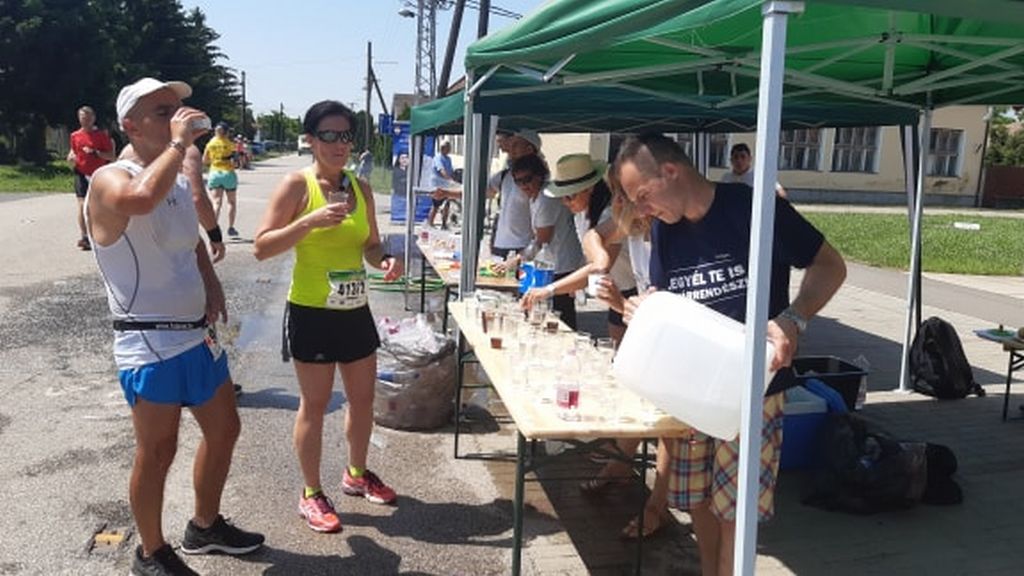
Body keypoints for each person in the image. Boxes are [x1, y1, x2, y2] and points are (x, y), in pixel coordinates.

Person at [615, 133, 846, 576]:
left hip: (753, 394)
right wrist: (644, 306)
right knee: (697, 499)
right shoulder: (666, 229)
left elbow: (831, 265)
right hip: (691, 392)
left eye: (643, 196)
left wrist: (794, 319)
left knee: (735, 511)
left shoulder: (754, 209)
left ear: (671, 171)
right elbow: (670, 298)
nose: (642, 211)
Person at [85, 77, 264, 576]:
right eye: (161, 111)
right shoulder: (109, 177)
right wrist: (183, 144)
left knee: (225, 428)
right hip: (149, 338)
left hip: (196, 334)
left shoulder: (180, 180)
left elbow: (191, 244)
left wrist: (212, 285)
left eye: (177, 109)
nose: (175, 117)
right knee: (158, 450)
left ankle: (205, 526)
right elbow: (140, 199)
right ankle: (150, 551)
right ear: (129, 124)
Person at [253, 100, 403, 534]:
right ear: (312, 140)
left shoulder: (360, 187)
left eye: (346, 136)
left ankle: (356, 474)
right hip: (312, 311)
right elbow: (261, 247)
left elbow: (371, 245)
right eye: (329, 136)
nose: (339, 145)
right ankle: (311, 493)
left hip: (354, 309)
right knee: (315, 405)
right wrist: (309, 222)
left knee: (361, 399)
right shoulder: (296, 186)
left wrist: (385, 260)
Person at [521, 153, 636, 343]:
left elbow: (600, 267)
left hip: (632, 289)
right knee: (617, 348)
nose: (566, 203)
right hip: (616, 289)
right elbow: (591, 259)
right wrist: (575, 283)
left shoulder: (608, 215)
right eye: (563, 198)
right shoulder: (581, 215)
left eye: (570, 197)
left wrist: (550, 289)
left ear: (589, 189)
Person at [508, 153, 585, 329]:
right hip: (551, 262)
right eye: (518, 181)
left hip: (560, 264)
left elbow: (542, 240)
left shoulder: (545, 198)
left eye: (527, 179)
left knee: (560, 317)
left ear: (539, 176)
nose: (523, 185)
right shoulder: (536, 196)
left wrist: (515, 260)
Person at [67, 106, 115, 250]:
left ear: (93, 118)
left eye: (88, 118)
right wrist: (71, 157)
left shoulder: (101, 135)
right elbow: (73, 152)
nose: (85, 121)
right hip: (80, 172)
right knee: (82, 205)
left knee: (97, 206)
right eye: (82, 118)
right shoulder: (75, 136)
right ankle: (84, 237)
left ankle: (103, 234)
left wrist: (96, 152)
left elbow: (111, 156)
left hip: (98, 174)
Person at [487, 129, 541, 258]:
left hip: (522, 246)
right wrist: (448, 193)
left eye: (516, 145)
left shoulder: (538, 178)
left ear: (529, 149)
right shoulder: (506, 174)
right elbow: (485, 192)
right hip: (501, 244)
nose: (510, 149)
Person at [203, 123, 240, 237]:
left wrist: (215, 160)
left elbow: (205, 160)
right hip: (228, 173)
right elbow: (235, 162)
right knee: (231, 202)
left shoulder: (210, 144)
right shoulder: (230, 144)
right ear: (227, 132)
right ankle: (231, 227)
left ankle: (213, 230)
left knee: (216, 202)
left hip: (214, 173)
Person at [723, 142, 788, 198]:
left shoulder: (759, 176)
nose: (739, 160)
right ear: (731, 160)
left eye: (743, 157)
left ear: (749, 159)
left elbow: (781, 193)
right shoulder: (726, 178)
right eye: (736, 157)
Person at [427, 140, 460, 228]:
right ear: (443, 148)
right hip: (438, 184)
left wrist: (454, 178)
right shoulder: (438, 158)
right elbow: (442, 171)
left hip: (446, 185)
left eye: (450, 147)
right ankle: (430, 222)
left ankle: (444, 223)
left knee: (447, 203)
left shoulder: (448, 159)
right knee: (436, 204)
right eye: (448, 148)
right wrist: (450, 180)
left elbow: (450, 171)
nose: (449, 149)